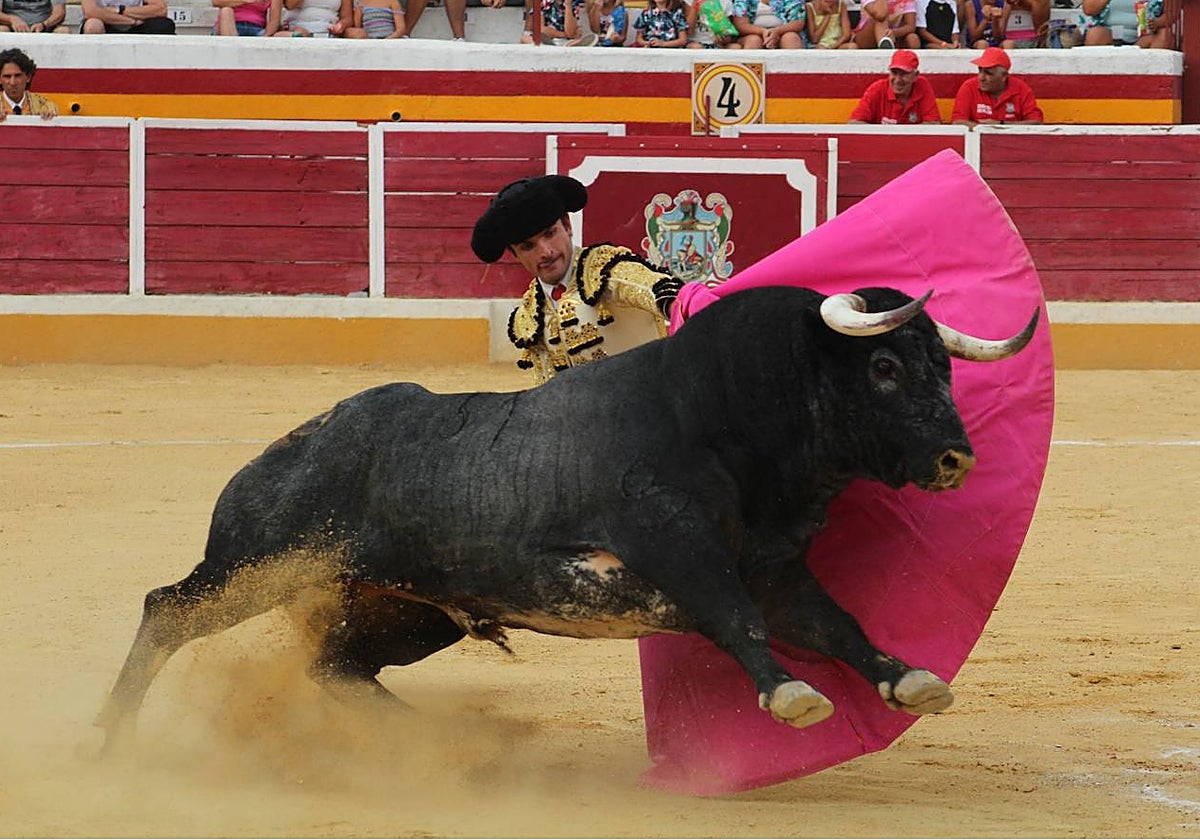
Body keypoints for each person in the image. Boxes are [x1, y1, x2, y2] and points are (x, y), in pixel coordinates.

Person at [471, 174, 683, 383]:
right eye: (528, 246)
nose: (545, 252)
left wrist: (682, 304)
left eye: (550, 234)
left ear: (567, 225)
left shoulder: (604, 269)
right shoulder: (530, 314)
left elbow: (654, 289)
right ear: (514, 254)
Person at [951, 46, 1043, 125]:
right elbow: (958, 122)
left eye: (988, 73)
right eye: (980, 71)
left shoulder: (1021, 89)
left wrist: (1000, 125)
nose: (981, 77)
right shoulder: (969, 86)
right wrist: (985, 130)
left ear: (1004, 76)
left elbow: (1036, 122)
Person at [848, 48, 941, 124]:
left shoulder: (922, 85)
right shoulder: (877, 89)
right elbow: (854, 123)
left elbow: (933, 124)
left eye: (903, 74)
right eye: (894, 73)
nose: (898, 80)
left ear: (915, 76)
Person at [1082, 0, 1173, 47]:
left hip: (1145, 37)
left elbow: (1172, 14)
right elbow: (1089, 10)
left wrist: (1157, 22)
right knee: (1095, 34)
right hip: (1111, 36)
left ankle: (1152, 74)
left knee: (1165, 35)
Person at [0, 48, 58, 120]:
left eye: (18, 76)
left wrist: (50, 113)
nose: (13, 83)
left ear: (28, 77)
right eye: (7, 76)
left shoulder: (44, 105)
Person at [730, 0, 807, 48]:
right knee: (753, 41)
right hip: (753, 33)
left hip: (784, 32)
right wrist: (763, 32)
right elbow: (741, 25)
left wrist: (777, 31)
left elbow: (797, 23)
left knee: (790, 38)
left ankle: (793, 69)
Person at [852, 0, 919, 48]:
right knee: (881, 18)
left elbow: (911, 26)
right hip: (866, 36)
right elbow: (880, 15)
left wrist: (894, 33)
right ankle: (885, 48)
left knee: (913, 39)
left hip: (894, 35)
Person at [80, 0, 175, 32]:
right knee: (93, 25)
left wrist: (120, 10)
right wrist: (131, 21)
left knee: (163, 25)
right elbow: (91, 12)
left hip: (138, 25)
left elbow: (160, 9)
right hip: (107, 24)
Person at [275, 0, 349, 35]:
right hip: (297, 29)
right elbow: (289, 5)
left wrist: (340, 26)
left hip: (328, 31)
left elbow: (347, 18)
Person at [212, 0, 282, 35]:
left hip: (257, 29)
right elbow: (216, 2)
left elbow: (274, 20)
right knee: (226, 11)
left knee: (280, 36)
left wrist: (265, 37)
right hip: (232, 24)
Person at [0, 0, 67, 32]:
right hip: (12, 27)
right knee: (1, 30)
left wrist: (44, 25)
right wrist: (12, 20)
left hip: (45, 27)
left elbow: (60, 13)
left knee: (63, 31)